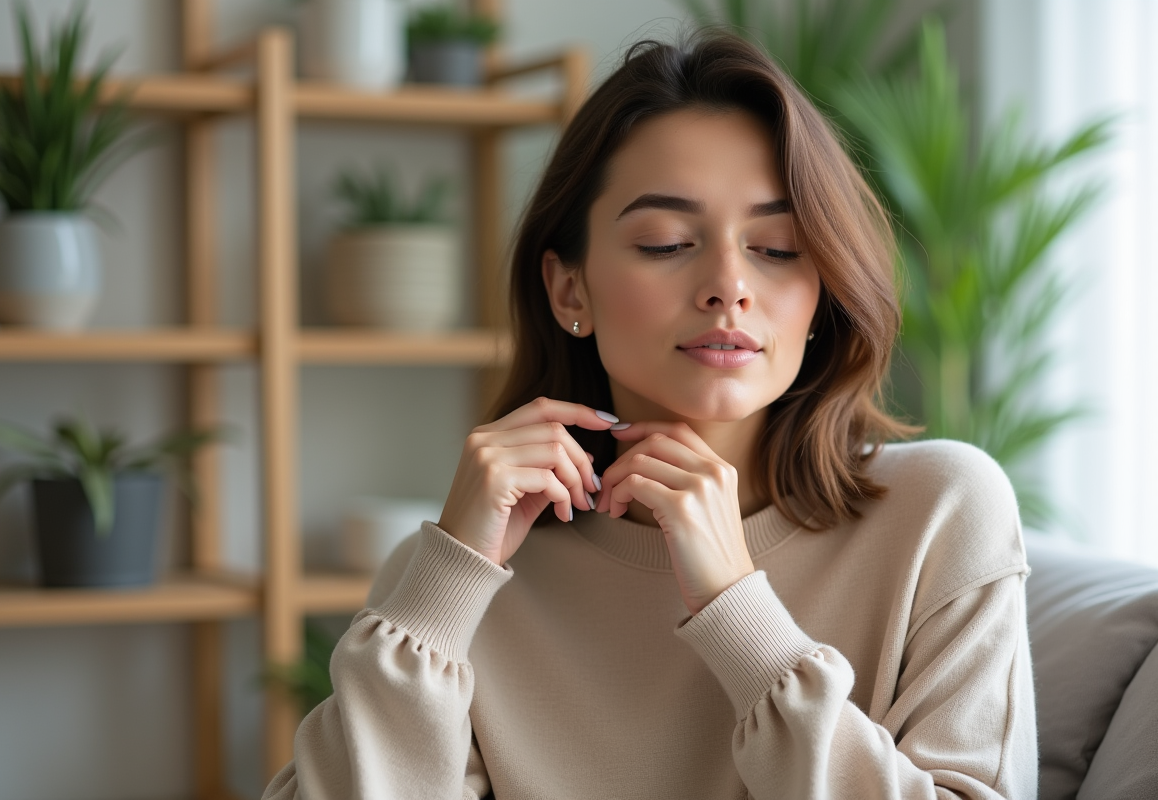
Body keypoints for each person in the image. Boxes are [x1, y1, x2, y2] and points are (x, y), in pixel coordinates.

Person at [263, 27, 1037, 800]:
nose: (728, 284)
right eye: (667, 242)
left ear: (821, 292)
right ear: (571, 290)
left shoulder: (941, 513)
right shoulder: (460, 577)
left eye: (776, 247)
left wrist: (741, 615)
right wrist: (443, 589)